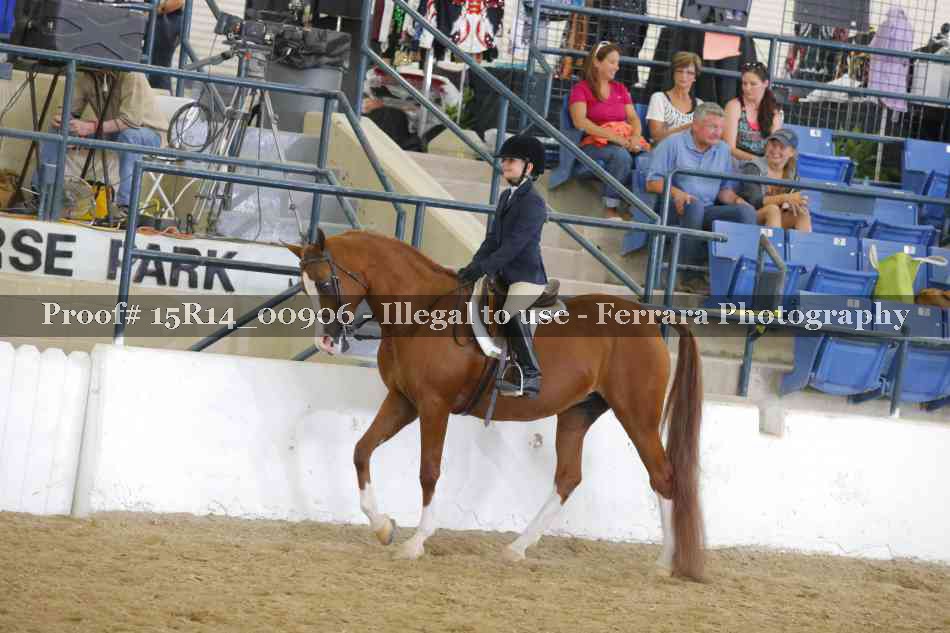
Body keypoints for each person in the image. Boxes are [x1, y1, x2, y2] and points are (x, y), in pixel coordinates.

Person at [457, 135, 548, 399]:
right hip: (501, 272)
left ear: (529, 167)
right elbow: (492, 240)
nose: (505, 165)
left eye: (511, 161)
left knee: (509, 313)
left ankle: (531, 373)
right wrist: (473, 266)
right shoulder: (506, 196)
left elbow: (513, 246)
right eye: (504, 160)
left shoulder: (534, 203)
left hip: (525, 276)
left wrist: (484, 268)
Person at [645, 102, 756, 293]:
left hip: (706, 209)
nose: (718, 133)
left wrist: (739, 201)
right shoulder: (672, 143)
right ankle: (686, 276)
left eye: (721, 128)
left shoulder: (723, 150)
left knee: (745, 213)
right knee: (694, 206)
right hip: (673, 207)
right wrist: (678, 193)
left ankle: (739, 281)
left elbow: (723, 191)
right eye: (713, 127)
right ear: (695, 125)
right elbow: (652, 183)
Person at [33, 69, 167, 221]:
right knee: (58, 131)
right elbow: (69, 110)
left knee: (129, 136)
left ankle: (126, 208)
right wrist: (63, 119)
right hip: (111, 129)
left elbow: (131, 121)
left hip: (150, 133)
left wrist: (89, 127)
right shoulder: (86, 74)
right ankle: (42, 195)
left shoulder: (132, 74)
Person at [568, 40, 646, 220]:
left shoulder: (620, 89)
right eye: (612, 62)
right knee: (621, 156)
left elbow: (633, 118)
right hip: (592, 145)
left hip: (623, 141)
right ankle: (610, 208)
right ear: (597, 62)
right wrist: (613, 137)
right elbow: (580, 122)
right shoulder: (581, 89)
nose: (617, 67)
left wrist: (636, 137)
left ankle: (638, 210)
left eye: (618, 63)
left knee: (648, 159)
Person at [739, 128, 812, 232]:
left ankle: (802, 243)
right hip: (750, 216)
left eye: (782, 147)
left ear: (792, 152)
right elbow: (754, 201)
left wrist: (794, 204)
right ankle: (772, 243)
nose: (775, 150)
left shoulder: (792, 173)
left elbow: (792, 201)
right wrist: (785, 198)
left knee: (803, 213)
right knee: (772, 210)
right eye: (773, 145)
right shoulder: (753, 167)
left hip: (778, 216)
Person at [724, 62, 783, 161]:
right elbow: (729, 148)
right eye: (744, 83)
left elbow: (773, 148)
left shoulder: (774, 112)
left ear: (765, 84)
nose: (747, 88)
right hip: (735, 161)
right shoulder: (734, 106)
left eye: (753, 84)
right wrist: (757, 161)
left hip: (762, 164)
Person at [646, 51, 703, 144]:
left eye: (689, 73)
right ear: (673, 73)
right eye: (679, 71)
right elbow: (656, 136)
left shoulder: (700, 104)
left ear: (695, 77)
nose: (684, 76)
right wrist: (688, 127)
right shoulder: (659, 98)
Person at [148, 0, 185, 92]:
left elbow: (177, 2)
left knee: (158, 67)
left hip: (166, 18)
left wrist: (152, 11)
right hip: (153, 15)